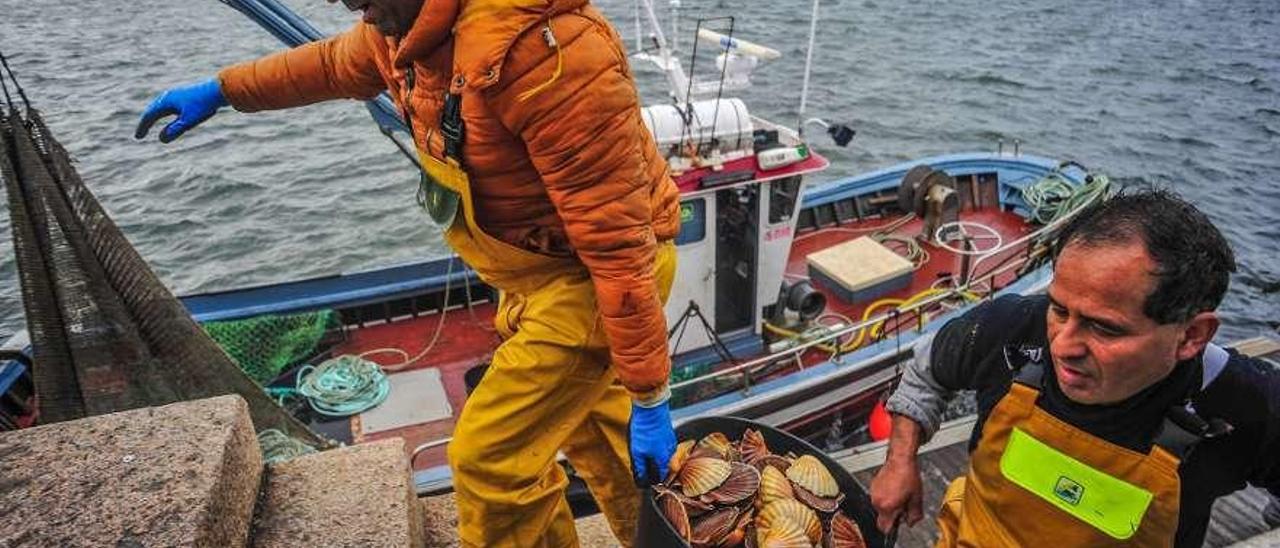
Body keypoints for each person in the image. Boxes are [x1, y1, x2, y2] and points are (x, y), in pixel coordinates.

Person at [135, 0, 682, 545]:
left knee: (492, 459)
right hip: (535, 271)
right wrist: (223, 90)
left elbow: (616, 245)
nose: (350, 7)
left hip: (594, 277)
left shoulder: (552, 56)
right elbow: (328, 65)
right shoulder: (402, 34)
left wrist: (652, 396)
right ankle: (667, 534)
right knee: (595, 426)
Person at [869, 188, 1280, 546]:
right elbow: (929, 367)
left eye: (1104, 329)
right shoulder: (1012, 328)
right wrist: (900, 460)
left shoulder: (1244, 403)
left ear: (1191, 336)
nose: (1062, 345)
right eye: (1059, 310)